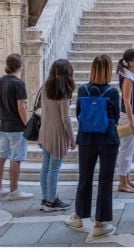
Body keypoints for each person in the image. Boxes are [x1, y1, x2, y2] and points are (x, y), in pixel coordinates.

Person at [65, 55, 120, 238]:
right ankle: (99, 223)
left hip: (87, 139)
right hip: (108, 139)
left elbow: (79, 112)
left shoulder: (82, 90)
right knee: (105, 180)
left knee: (85, 177)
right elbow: (117, 116)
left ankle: (79, 215)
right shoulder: (112, 92)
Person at [0, 53, 33, 201]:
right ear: (19, 66)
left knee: (2, 156)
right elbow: (21, 107)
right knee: (16, 158)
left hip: (3, 125)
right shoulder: (18, 83)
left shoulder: (0, 82)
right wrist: (27, 124)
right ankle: (14, 190)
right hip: (17, 127)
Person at [37, 59, 76, 211]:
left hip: (45, 130)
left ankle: (46, 197)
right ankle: (52, 202)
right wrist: (72, 139)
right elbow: (65, 118)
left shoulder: (45, 87)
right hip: (57, 132)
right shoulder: (63, 91)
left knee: (46, 167)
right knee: (54, 168)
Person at [115, 27, 134, 193]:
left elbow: (133, 50)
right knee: (126, 148)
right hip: (128, 115)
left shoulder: (131, 71)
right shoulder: (127, 77)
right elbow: (126, 100)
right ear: (130, 62)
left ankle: (127, 178)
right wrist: (132, 124)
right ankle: (122, 182)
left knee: (130, 148)